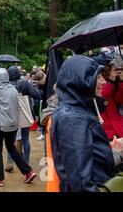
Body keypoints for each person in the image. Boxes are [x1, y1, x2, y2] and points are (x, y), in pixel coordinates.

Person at [50, 55, 118, 192]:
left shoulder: (77, 110)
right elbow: (80, 180)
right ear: (80, 81)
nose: (104, 81)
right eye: (97, 77)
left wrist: (113, 152)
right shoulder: (73, 118)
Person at [0, 68, 37, 187]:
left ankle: (0, 179)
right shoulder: (13, 89)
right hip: (14, 125)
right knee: (12, 148)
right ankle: (28, 171)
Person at [6, 66, 42, 170]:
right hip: (25, 114)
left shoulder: (6, 85)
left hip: (11, 114)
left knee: (10, 140)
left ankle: (10, 162)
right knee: (25, 138)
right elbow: (37, 95)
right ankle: (26, 163)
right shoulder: (25, 84)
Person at [101, 56, 123, 140]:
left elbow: (120, 100)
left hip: (118, 125)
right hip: (108, 130)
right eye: (115, 68)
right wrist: (111, 80)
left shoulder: (117, 82)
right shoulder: (103, 80)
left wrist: (121, 81)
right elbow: (104, 95)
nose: (118, 70)